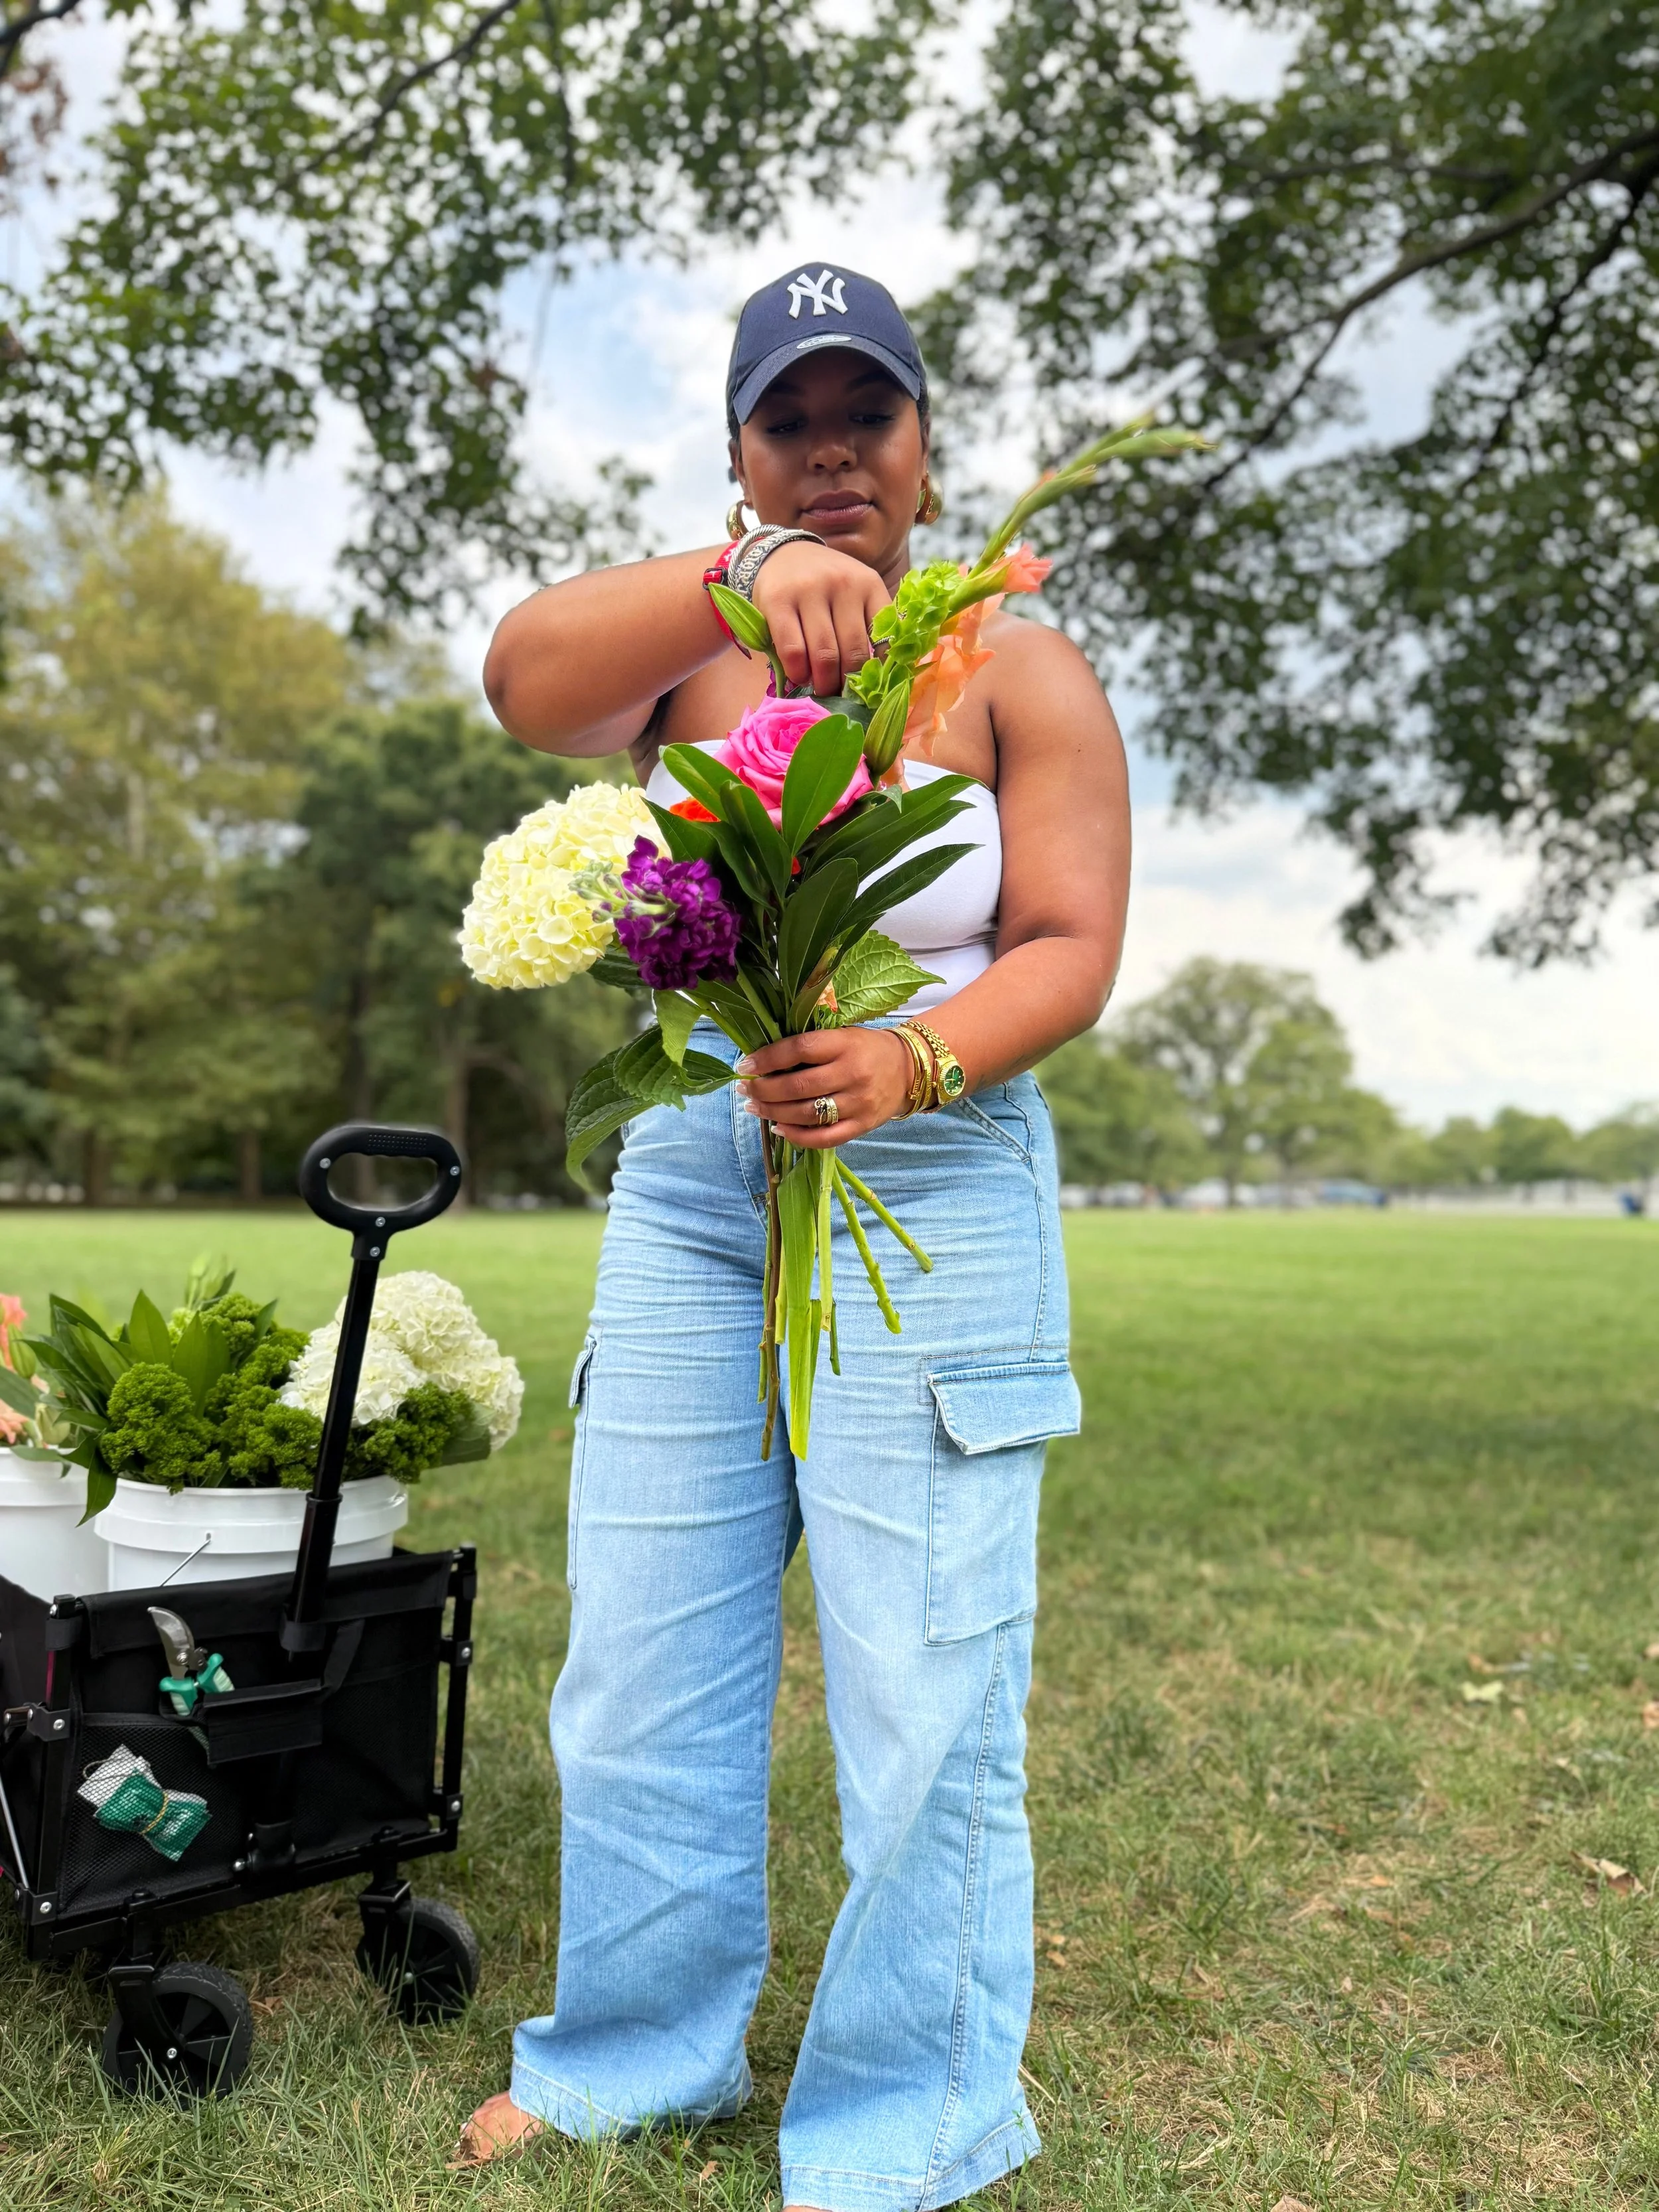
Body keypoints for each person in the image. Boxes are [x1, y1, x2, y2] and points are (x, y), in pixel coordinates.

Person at [462, 264, 1131, 2212]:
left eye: (868, 417)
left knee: (923, 1675)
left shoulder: (1014, 663)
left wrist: (915, 1055)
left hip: (931, 1181)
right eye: (790, 420)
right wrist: (726, 578)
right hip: (692, 1183)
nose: (832, 451)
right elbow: (519, 679)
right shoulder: (691, 656)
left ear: (924, 452)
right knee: (645, 1658)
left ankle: (905, 2115)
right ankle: (627, 2059)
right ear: (740, 450)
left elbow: (1070, 946)